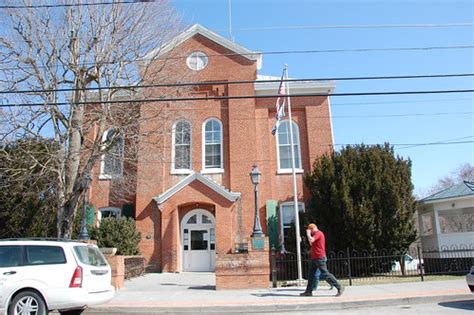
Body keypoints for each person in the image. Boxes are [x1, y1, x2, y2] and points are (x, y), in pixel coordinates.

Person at [300, 223, 344, 297]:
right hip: (314, 258)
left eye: (310, 231)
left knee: (325, 274)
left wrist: (308, 234)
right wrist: (309, 236)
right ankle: (308, 291)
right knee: (311, 275)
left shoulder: (318, 233)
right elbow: (311, 243)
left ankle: (339, 286)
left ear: (312, 229)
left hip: (319, 257)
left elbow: (311, 239)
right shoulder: (315, 235)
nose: (310, 232)